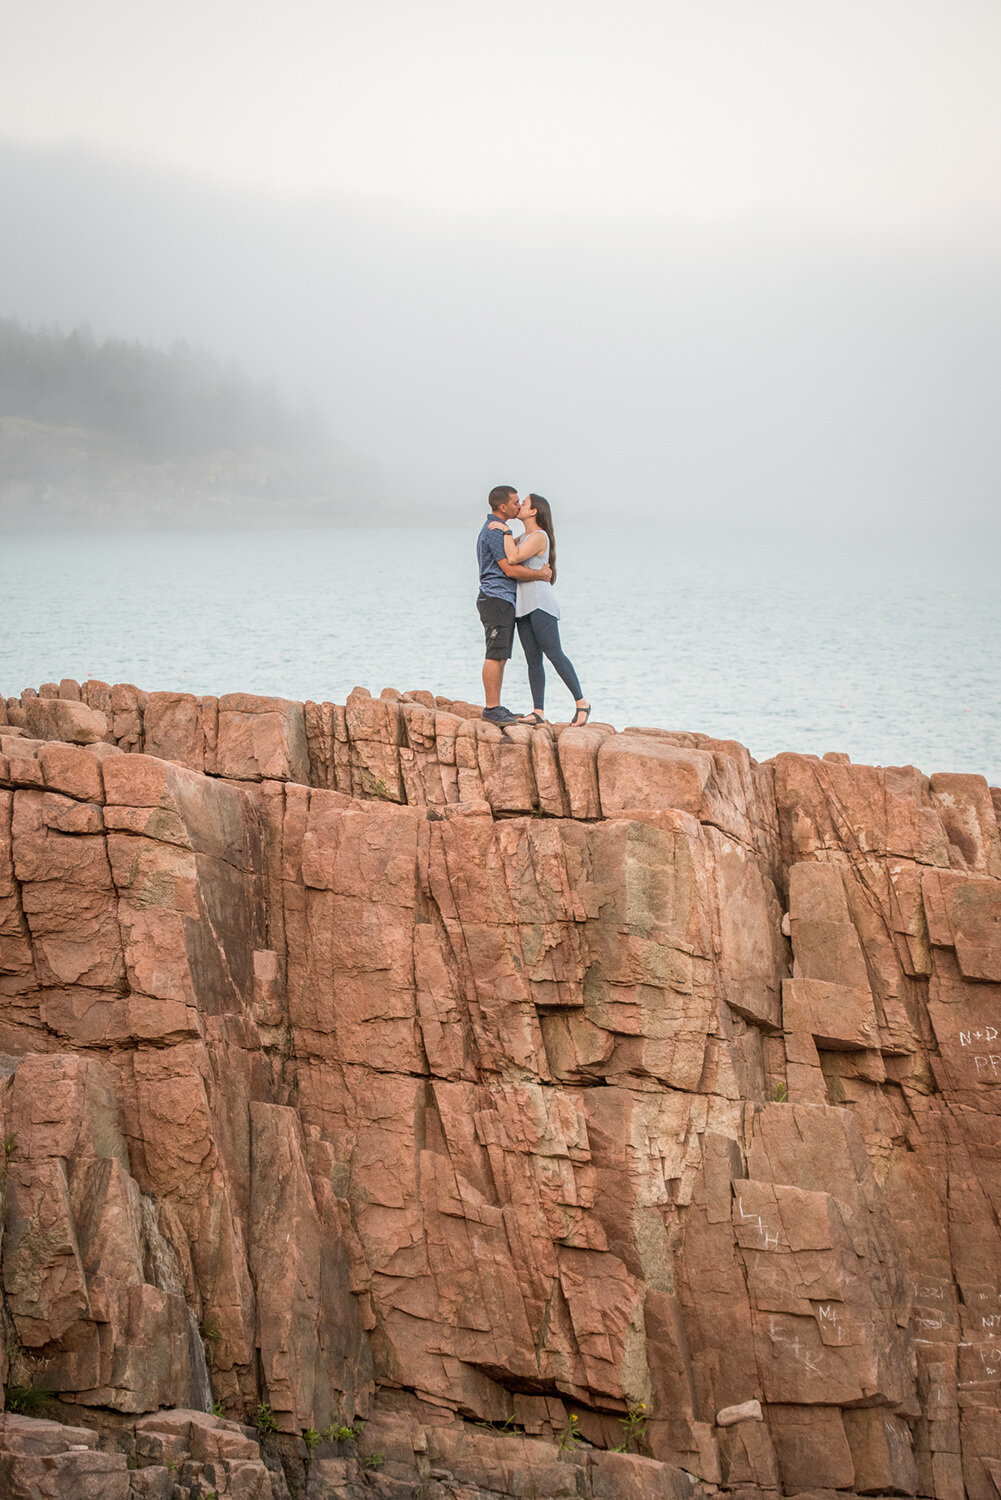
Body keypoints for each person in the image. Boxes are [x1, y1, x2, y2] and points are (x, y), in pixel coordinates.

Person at [490, 493, 590, 726]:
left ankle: (582, 703)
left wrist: (503, 530)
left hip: (540, 604)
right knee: (533, 659)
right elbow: (507, 553)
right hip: (524, 605)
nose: (521, 506)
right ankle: (538, 712)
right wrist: (504, 532)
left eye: (524, 503)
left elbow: (513, 558)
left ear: (534, 511)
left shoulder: (538, 536)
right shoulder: (524, 536)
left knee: (554, 653)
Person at [476, 485, 553, 724]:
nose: (518, 505)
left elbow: (519, 547)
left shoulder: (502, 531)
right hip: (496, 597)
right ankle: (491, 708)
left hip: (502, 599)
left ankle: (496, 706)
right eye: (515, 502)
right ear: (503, 506)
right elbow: (509, 568)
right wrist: (540, 575)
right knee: (494, 653)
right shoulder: (496, 531)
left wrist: (514, 535)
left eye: (521, 502)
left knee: (501, 655)